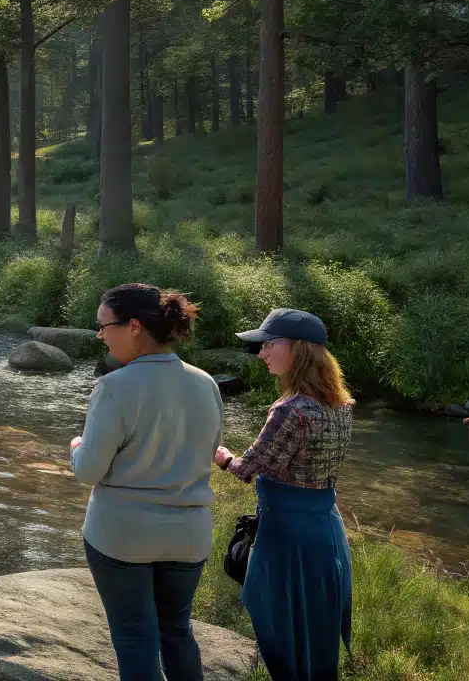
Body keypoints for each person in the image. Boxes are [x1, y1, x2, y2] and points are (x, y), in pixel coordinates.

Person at [70, 283, 223, 681]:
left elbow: (89, 470)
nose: (100, 334)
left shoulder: (114, 387)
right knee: (177, 632)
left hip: (122, 534)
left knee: (136, 638)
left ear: (134, 326)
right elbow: (205, 452)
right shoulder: (206, 383)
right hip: (189, 535)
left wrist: (76, 447)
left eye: (104, 325)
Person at [216, 309, 354, 681]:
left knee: (281, 625)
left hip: (287, 534)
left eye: (269, 344)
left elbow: (248, 469)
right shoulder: (341, 406)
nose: (262, 353)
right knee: (316, 627)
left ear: (299, 350)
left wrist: (221, 454)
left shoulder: (290, 409)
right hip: (326, 528)